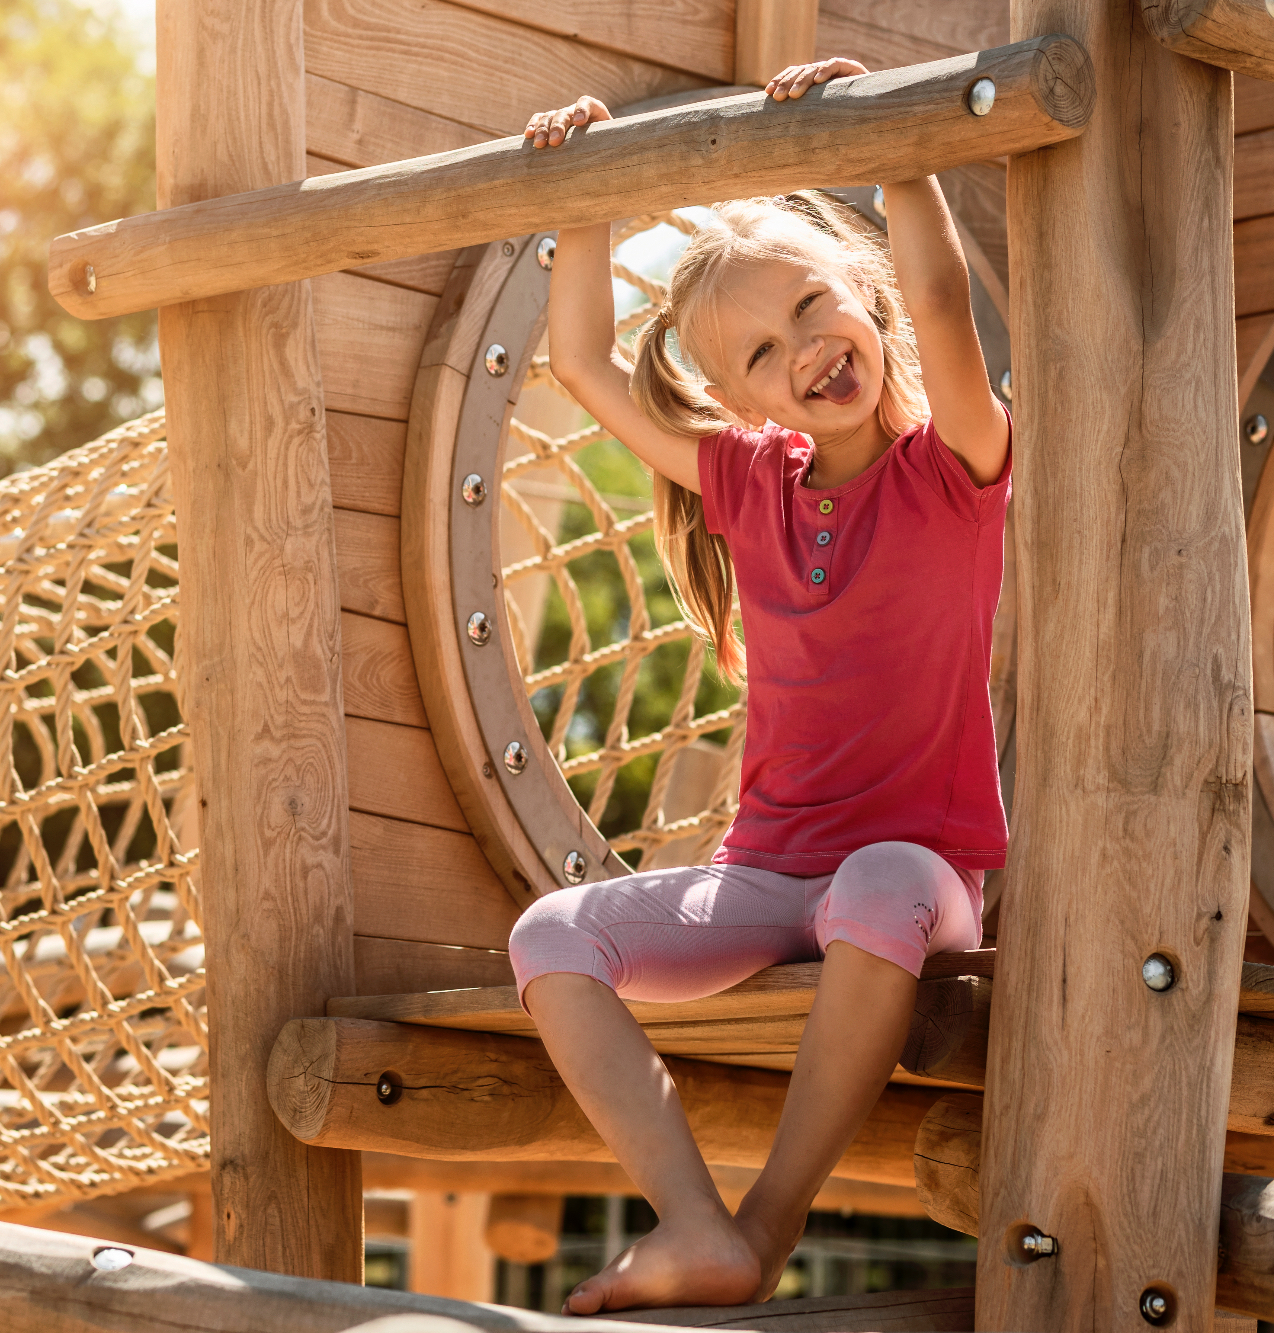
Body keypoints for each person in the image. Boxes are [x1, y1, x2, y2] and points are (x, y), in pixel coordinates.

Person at [509, 57, 1011, 1314]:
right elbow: (579, 360)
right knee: (550, 934)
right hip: (768, 873)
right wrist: (582, 194)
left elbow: (947, 305)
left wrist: (895, 146)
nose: (804, 352)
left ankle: (766, 1223)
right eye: (761, 352)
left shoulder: (949, 464)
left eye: (810, 308)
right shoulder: (743, 485)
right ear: (733, 401)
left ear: (865, 298)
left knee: (880, 882)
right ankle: (694, 1225)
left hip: (916, 887)